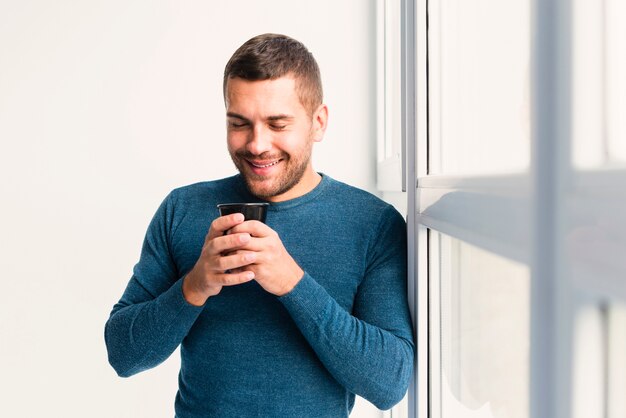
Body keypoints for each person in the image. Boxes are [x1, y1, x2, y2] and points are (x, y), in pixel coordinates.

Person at [105, 33, 414, 418]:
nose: (256, 144)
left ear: (318, 122)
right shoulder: (182, 209)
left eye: (277, 124)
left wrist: (293, 284)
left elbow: (390, 383)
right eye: (240, 123)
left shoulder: (373, 223)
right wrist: (195, 285)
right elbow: (122, 354)